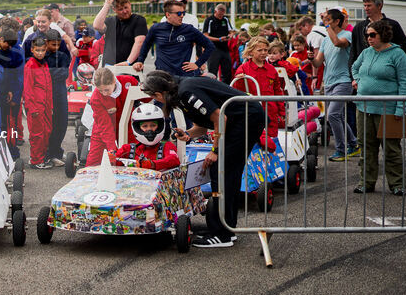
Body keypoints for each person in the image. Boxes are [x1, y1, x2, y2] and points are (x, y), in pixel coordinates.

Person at [141, 70, 265, 248]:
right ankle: (226, 228)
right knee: (225, 172)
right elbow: (201, 126)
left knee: (221, 170)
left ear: (159, 94)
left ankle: (223, 234)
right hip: (237, 121)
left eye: (154, 97)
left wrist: (215, 150)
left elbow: (220, 117)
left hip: (246, 118)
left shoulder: (187, 91)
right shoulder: (180, 94)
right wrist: (187, 135)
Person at [352, 19, 406, 195]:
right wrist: (358, 80)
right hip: (363, 108)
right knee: (366, 148)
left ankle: (397, 184)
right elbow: (354, 68)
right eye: (367, 35)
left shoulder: (398, 55)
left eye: (372, 35)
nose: (369, 38)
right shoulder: (366, 53)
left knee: (391, 149)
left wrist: (400, 109)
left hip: (388, 110)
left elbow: (404, 83)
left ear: (383, 34)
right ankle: (366, 183)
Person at [312, 8, 359, 162]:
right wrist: (311, 58)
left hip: (344, 81)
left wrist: (326, 26)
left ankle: (340, 150)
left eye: (329, 20)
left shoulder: (347, 35)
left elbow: (338, 43)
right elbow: (318, 62)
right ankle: (353, 144)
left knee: (332, 115)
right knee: (336, 116)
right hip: (329, 82)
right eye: (325, 20)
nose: (326, 22)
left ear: (337, 21)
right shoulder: (326, 40)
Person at [133, 0, 214, 77]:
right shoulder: (156, 28)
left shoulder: (189, 29)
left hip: (183, 77)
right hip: (162, 76)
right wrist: (140, 60)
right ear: (168, 15)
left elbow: (210, 46)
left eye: (183, 13)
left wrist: (197, 64)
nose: (182, 16)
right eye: (179, 13)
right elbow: (146, 45)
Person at [233, 37, 285, 148]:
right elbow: (237, 91)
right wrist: (240, 79)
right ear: (251, 51)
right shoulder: (242, 69)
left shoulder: (272, 70)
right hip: (251, 113)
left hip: (270, 113)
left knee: (271, 143)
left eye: (265, 50)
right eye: (260, 50)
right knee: (251, 142)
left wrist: (282, 111)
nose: (263, 53)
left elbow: (277, 91)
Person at [350, 0, 406, 72]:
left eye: (369, 5)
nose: (366, 9)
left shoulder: (392, 25)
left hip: (387, 73)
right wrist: (353, 78)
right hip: (363, 76)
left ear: (379, 6)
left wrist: (388, 52)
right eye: (364, 5)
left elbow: (405, 48)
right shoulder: (359, 28)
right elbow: (353, 54)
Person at [114, 103, 180, 171]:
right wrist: (111, 157)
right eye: (145, 126)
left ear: (160, 126)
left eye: (153, 125)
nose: (149, 130)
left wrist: (152, 164)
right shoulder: (128, 149)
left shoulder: (167, 146)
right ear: (137, 128)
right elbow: (114, 161)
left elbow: (174, 160)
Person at [0, 27, 24, 158]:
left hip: (6, 94)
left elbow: (14, 74)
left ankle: (9, 149)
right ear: (0, 39)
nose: (9, 47)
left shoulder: (12, 52)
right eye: (8, 44)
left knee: (7, 124)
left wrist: (13, 92)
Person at [92, 0, 148, 67]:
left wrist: (128, 62)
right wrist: (107, 4)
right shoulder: (111, 21)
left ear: (130, 4)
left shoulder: (139, 20)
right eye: (120, 9)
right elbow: (97, 25)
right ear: (114, 9)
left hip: (130, 66)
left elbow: (139, 42)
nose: (124, 11)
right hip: (109, 65)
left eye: (126, 7)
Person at [24, 37, 53, 169]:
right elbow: (28, 88)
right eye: (37, 50)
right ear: (32, 50)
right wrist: (32, 107)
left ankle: (41, 157)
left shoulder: (44, 64)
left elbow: (48, 86)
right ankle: (36, 160)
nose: (40, 53)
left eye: (42, 50)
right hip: (36, 106)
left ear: (46, 50)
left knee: (46, 131)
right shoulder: (30, 65)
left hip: (46, 105)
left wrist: (50, 106)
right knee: (37, 134)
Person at [85, 68, 120, 166]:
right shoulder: (96, 98)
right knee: (93, 161)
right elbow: (104, 125)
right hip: (102, 127)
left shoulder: (126, 82)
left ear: (114, 81)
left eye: (106, 90)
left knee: (125, 158)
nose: (104, 93)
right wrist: (111, 149)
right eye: (101, 90)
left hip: (124, 125)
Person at [45, 29, 70, 166]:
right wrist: (52, 73)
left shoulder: (63, 56)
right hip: (46, 93)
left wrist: (50, 73)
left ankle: (56, 151)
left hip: (60, 91)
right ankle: (49, 153)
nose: (55, 48)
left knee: (62, 122)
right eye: (52, 44)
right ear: (46, 43)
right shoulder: (40, 55)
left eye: (58, 45)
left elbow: (64, 74)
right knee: (49, 124)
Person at [203, 4, 235, 83]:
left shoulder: (225, 19)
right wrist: (218, 39)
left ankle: (226, 88)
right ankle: (212, 88)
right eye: (219, 14)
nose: (221, 16)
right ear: (215, 11)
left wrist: (230, 36)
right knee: (212, 71)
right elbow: (205, 35)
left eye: (222, 14)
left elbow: (231, 31)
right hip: (213, 48)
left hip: (224, 48)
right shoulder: (209, 20)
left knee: (227, 71)